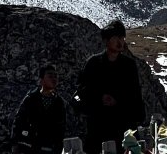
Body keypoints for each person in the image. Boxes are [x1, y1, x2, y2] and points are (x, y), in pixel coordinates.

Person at [77, 19, 145, 154]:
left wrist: (119, 101)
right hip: (98, 125)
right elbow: (82, 92)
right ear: (107, 40)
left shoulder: (129, 66)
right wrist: (100, 98)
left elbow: (135, 95)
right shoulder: (93, 64)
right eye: (115, 38)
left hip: (123, 125)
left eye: (122, 37)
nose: (120, 42)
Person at [13, 63, 67, 154]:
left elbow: (61, 129)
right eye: (50, 76)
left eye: (55, 76)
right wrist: (15, 143)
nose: (54, 79)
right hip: (30, 146)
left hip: (49, 148)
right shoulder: (31, 99)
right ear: (41, 80)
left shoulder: (59, 103)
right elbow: (18, 121)